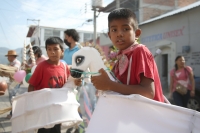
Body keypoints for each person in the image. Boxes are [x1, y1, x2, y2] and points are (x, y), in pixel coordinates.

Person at [91, 8, 164, 102]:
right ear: (109, 36)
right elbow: (117, 87)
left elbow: (148, 92)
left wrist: (109, 85)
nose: (119, 34)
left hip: (147, 114)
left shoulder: (140, 51)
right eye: (114, 30)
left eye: (125, 29)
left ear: (137, 33)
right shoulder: (119, 59)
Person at [28, 37, 80, 133]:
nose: (52, 52)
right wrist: (32, 105)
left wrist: (76, 82)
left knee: (56, 130)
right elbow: (31, 85)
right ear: (46, 51)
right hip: (44, 110)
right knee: (44, 131)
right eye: (49, 49)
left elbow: (68, 83)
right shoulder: (41, 67)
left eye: (55, 49)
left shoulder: (64, 67)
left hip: (58, 110)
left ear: (62, 51)